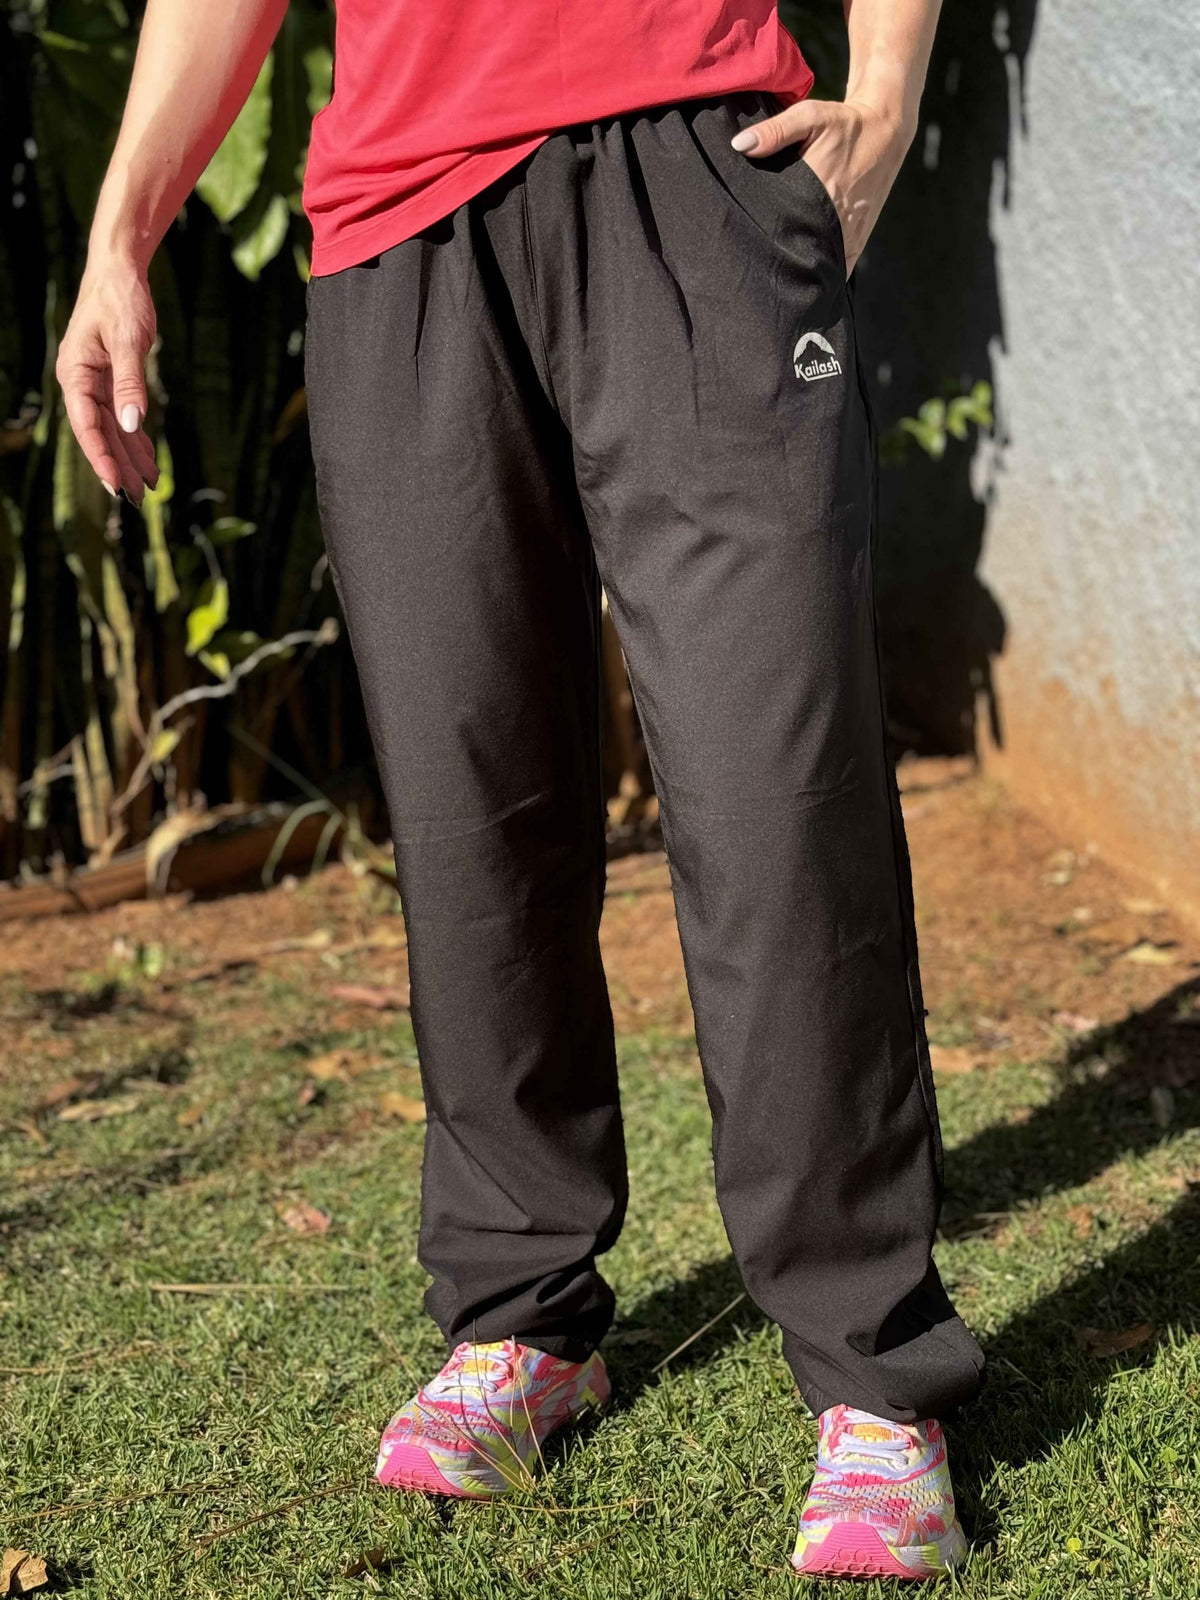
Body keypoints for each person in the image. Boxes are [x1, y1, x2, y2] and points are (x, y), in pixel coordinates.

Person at [58, 0, 985, 1579]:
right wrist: (120, 232)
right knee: (469, 797)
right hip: (397, 229)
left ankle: (875, 1371)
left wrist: (887, 88)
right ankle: (520, 1316)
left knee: (778, 792)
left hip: (693, 167)